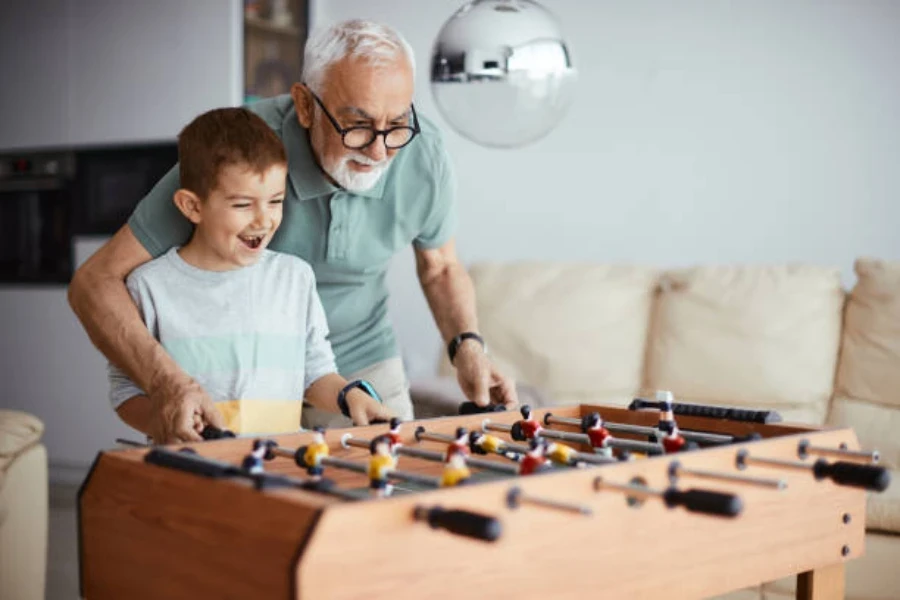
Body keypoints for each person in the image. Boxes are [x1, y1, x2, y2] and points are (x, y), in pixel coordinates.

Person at [69, 18, 518, 444]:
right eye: (358, 125)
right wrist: (168, 383)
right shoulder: (241, 153)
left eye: (397, 123)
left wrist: (467, 347)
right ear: (305, 105)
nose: (381, 151)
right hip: (243, 369)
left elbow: (440, 267)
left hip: (358, 358)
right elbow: (96, 282)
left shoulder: (423, 155)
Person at [107, 107, 391, 440]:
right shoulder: (149, 286)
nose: (263, 220)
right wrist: (170, 423)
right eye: (243, 205)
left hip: (279, 465)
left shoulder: (295, 278)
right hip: (190, 469)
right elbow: (125, 394)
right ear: (192, 206)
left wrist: (348, 396)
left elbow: (315, 374)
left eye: (275, 201)